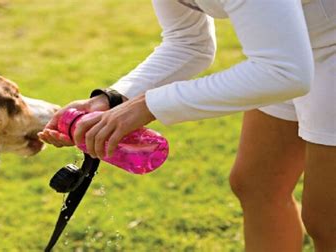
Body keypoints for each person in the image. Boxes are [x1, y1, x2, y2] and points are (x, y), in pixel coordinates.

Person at [39, 0, 336, 251]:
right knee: (257, 184)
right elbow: (189, 42)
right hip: (288, 52)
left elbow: (286, 74)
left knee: (326, 219)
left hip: (305, 56)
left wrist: (148, 105)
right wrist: (113, 99)